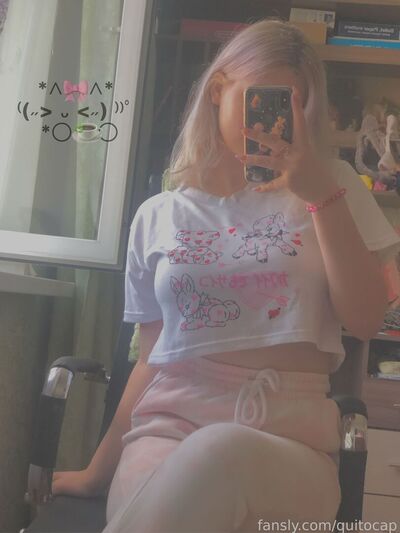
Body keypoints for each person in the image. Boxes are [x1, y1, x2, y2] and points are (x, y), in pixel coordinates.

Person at [52, 18, 400, 533]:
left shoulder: (334, 185)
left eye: (293, 108)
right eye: (263, 100)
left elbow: (368, 319)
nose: (274, 124)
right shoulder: (158, 215)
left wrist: (320, 196)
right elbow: (151, 358)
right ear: (218, 89)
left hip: (292, 446)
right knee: (175, 486)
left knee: (218, 453)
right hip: (166, 432)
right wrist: (96, 472)